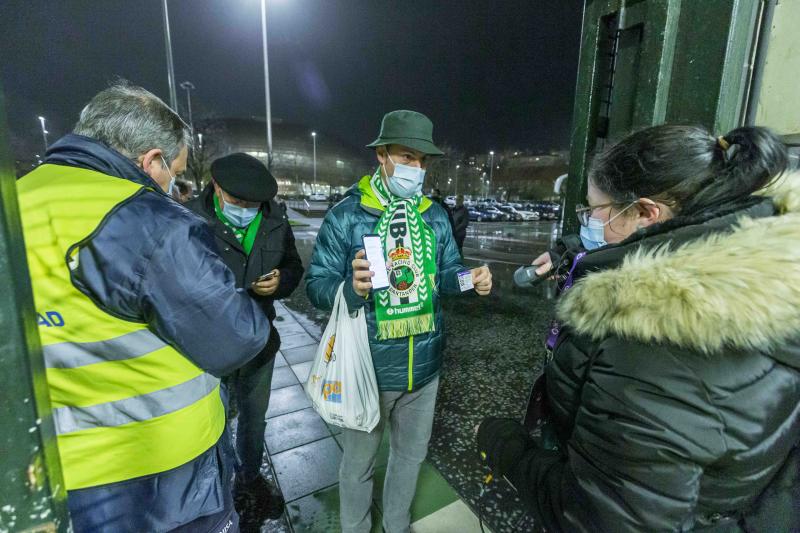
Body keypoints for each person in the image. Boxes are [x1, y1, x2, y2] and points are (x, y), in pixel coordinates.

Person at [477, 125, 800, 532]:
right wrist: (576, 252)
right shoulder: (763, 270)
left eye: (596, 211)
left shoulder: (652, 346)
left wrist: (506, 449)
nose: (589, 223)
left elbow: (597, 520)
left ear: (646, 212)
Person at [16, 82, 271, 533]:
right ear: (152, 160)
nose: (173, 184)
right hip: (155, 474)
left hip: (55, 471)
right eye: (174, 170)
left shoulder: (19, 199)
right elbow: (238, 335)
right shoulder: (144, 220)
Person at [306, 110, 492, 533]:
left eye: (424, 161)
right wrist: (351, 289)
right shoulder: (347, 216)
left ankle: (396, 524)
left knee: (410, 459)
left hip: (425, 369)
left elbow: (447, 274)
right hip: (368, 369)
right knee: (358, 465)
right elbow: (317, 284)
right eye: (408, 157)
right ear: (383, 156)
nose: (417, 169)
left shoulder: (434, 216)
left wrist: (471, 279)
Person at [186, 153, 304, 528]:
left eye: (254, 205)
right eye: (239, 203)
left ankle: (249, 478)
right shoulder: (188, 220)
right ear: (217, 188)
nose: (248, 210)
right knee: (212, 420)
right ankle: (214, 488)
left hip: (258, 342)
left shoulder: (273, 218)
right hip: (210, 348)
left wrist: (280, 282)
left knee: (254, 420)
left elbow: (293, 265)